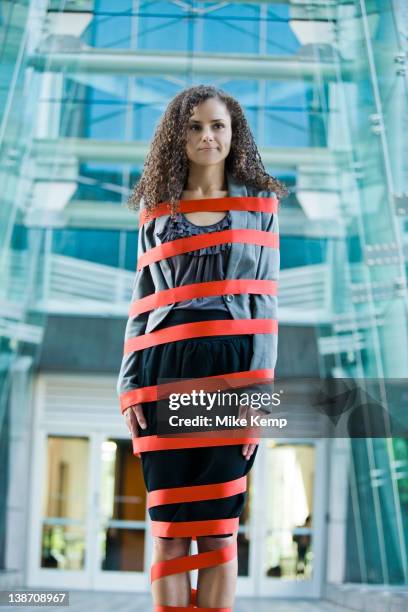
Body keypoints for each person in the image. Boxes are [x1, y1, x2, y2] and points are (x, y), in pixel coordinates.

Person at [117, 84, 288, 611]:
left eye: (217, 126)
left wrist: (257, 398)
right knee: (168, 527)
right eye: (194, 126)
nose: (207, 136)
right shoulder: (155, 206)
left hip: (231, 368)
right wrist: (129, 387)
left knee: (217, 527)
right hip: (163, 365)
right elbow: (143, 299)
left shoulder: (260, 206)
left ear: (234, 136)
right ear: (177, 135)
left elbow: (266, 306)